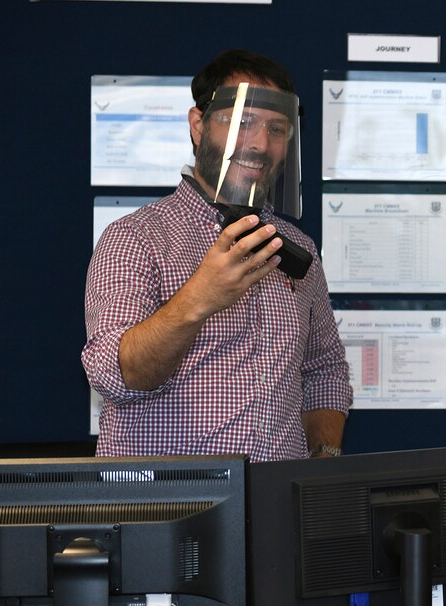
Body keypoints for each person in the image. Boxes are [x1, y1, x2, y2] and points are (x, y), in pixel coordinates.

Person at [83, 49, 352, 463]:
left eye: (276, 127)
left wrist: (324, 457)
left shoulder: (297, 249)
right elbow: (114, 376)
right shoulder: (135, 238)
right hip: (168, 508)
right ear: (198, 124)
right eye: (243, 121)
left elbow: (325, 370)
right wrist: (200, 298)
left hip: (278, 507)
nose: (260, 143)